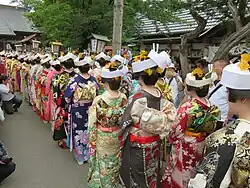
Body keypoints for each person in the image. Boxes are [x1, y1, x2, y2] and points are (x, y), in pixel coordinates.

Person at [189, 53, 250, 188]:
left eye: (228, 92)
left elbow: (205, 183)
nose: (226, 96)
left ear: (243, 98)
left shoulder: (225, 138)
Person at [119, 50, 176, 188]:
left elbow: (125, 121)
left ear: (141, 79)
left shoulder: (138, 97)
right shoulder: (159, 94)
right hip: (154, 141)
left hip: (138, 144)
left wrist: (121, 131)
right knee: (151, 173)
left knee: (136, 175)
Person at [161, 67, 221, 188]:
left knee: (183, 173)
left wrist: (171, 139)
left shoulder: (188, 107)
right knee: (195, 171)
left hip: (186, 144)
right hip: (201, 142)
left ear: (189, 89)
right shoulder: (209, 105)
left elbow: (176, 129)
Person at [88, 62, 127, 187]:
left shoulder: (99, 100)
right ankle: (112, 183)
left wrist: (92, 140)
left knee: (104, 164)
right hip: (118, 134)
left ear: (105, 82)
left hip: (103, 136)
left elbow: (92, 123)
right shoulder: (124, 97)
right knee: (115, 163)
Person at [65, 55, 99, 165]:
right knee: (88, 130)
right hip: (90, 109)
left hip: (78, 109)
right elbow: (98, 95)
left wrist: (71, 102)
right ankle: (88, 155)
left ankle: (80, 157)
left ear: (79, 68)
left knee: (78, 132)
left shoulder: (75, 80)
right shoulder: (93, 80)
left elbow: (67, 96)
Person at [52, 54, 76, 148]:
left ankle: (61, 140)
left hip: (62, 102)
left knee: (61, 119)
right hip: (74, 103)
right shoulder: (77, 76)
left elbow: (55, 89)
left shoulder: (59, 77)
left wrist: (56, 100)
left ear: (63, 65)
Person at [208, 59, 229, 129]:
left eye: (214, 66)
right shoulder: (211, 81)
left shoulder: (228, 85)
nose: (213, 68)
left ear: (222, 68)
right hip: (210, 118)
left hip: (221, 120)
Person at [36, 56, 51, 122]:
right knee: (48, 103)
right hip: (49, 89)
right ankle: (48, 116)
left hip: (44, 89)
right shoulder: (52, 72)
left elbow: (39, 80)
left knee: (45, 103)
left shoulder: (43, 73)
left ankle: (46, 117)